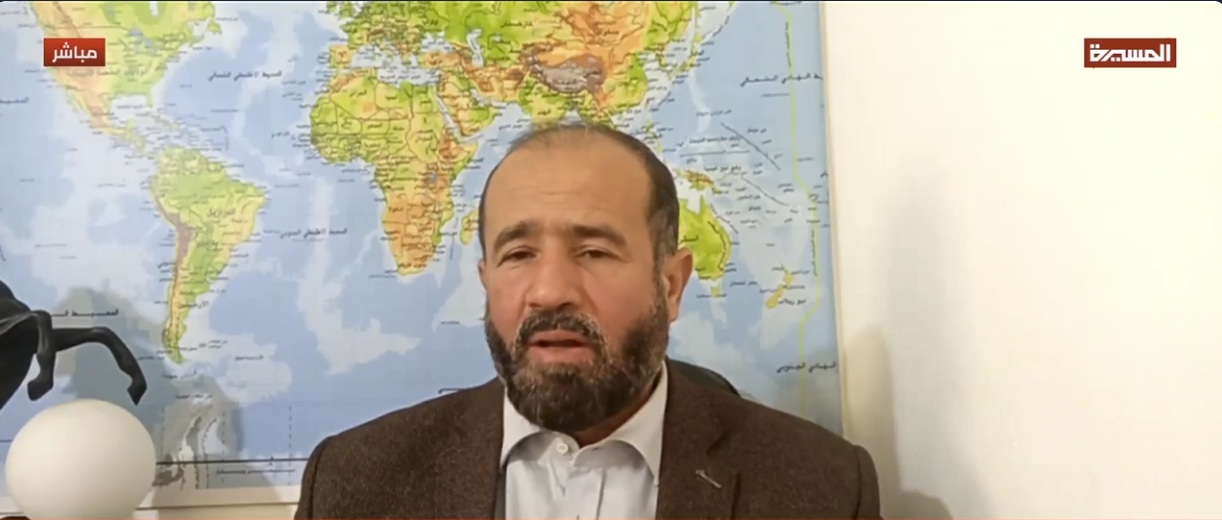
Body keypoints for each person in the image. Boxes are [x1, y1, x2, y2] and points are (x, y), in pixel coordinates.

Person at [293, 122, 882, 520]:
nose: (550, 291)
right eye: (518, 254)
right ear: (486, 279)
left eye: (595, 251)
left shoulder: (823, 488)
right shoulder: (353, 485)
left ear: (670, 285)